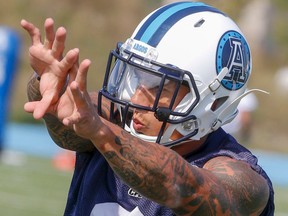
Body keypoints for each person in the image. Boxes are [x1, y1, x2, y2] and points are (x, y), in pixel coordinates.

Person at [21, 1, 274, 215]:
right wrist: (50, 91)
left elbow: (188, 189)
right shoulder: (115, 116)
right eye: (137, 77)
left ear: (214, 102)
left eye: (160, 87)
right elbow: (69, 127)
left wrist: (101, 132)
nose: (137, 99)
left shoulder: (244, 179)